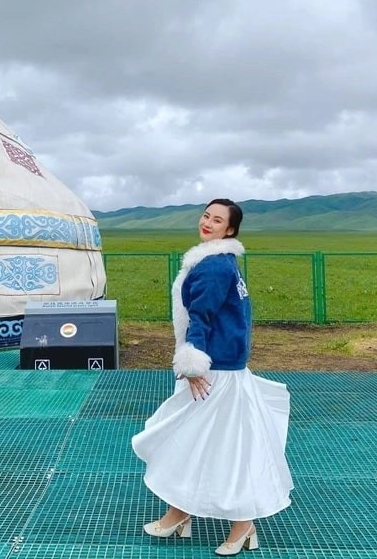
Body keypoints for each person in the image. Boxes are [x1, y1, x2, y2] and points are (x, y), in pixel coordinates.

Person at [131, 198, 293, 556]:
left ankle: (243, 525)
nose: (207, 222)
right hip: (225, 366)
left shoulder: (214, 267)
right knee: (197, 442)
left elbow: (200, 317)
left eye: (217, 220)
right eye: (206, 215)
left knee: (219, 446)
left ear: (229, 229)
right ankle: (180, 513)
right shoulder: (224, 263)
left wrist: (192, 365)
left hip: (214, 371)